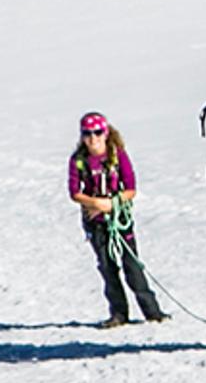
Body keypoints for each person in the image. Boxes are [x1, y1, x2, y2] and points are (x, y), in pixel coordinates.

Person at [69, 114, 166, 327]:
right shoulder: (79, 160)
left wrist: (111, 204)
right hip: (95, 222)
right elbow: (75, 192)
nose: (93, 138)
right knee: (107, 267)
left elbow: (130, 188)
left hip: (119, 218)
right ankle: (118, 313)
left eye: (97, 133)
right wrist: (95, 203)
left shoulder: (117, 155)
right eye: (87, 133)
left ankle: (152, 311)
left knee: (132, 265)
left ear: (105, 133)